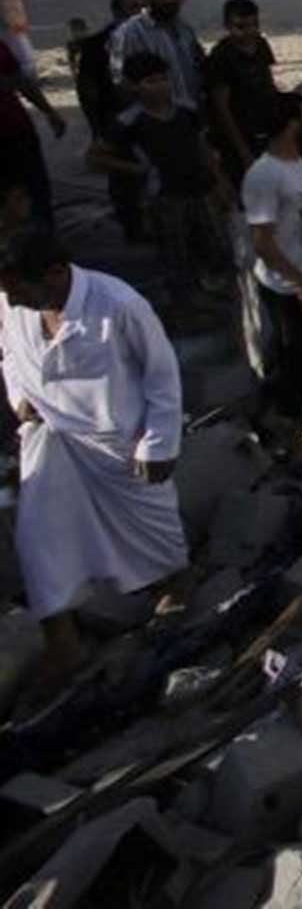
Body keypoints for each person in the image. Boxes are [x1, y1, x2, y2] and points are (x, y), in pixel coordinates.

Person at [0, 228, 188, 694]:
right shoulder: (10, 303)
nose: (11, 296)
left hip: (119, 443)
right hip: (52, 438)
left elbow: (161, 374)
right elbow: (6, 353)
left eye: (19, 287)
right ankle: (62, 643)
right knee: (37, 536)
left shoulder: (118, 304)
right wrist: (19, 394)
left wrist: (159, 442)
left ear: (55, 273)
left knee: (152, 531)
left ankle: (174, 587)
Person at [93, 52, 231, 306]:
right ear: (134, 86)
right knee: (174, 251)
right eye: (151, 81)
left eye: (163, 79)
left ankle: (216, 291)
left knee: (212, 242)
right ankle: (184, 303)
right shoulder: (128, 122)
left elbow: (203, 146)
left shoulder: (186, 110)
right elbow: (96, 157)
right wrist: (136, 170)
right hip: (164, 197)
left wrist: (219, 180)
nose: (160, 86)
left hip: (199, 189)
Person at [242, 92, 302, 450]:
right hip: (292, 289)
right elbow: (262, 242)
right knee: (297, 370)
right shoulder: (264, 175)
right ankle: (293, 446)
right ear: (291, 123)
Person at [74, 0, 145, 239]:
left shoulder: (153, 36)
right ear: (117, 13)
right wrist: (96, 125)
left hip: (149, 114)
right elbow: (88, 89)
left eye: (141, 7)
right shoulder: (98, 44)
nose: (139, 12)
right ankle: (132, 225)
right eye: (132, 8)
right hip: (117, 117)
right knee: (124, 174)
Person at [204, 0, 280, 185]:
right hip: (239, 133)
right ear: (228, 26)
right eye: (240, 27)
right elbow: (222, 108)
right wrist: (243, 151)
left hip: (266, 127)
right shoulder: (220, 56)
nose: (248, 32)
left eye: (253, 25)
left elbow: (268, 82)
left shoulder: (261, 45)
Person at [110, 0, 206, 113]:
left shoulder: (185, 30)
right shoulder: (129, 34)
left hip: (188, 119)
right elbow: (123, 85)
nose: (170, 1)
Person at [0, 34, 63, 226]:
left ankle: (41, 243)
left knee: (34, 190)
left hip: (16, 131)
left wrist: (49, 111)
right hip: (14, 130)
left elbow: (20, 81)